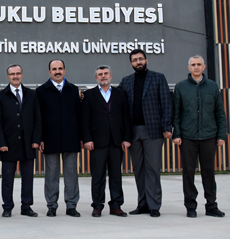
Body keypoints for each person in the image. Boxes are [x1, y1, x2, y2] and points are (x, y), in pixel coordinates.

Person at [118, 49, 173, 217]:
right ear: (131, 63)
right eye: (135, 60)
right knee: (139, 169)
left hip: (153, 131)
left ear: (146, 60)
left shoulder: (158, 78)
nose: (138, 62)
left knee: (152, 168)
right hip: (133, 132)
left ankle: (154, 205)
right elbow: (117, 101)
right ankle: (142, 204)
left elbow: (166, 103)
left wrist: (167, 127)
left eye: (141, 59)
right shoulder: (126, 81)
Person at [173, 55, 227, 218]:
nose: (196, 67)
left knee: (209, 173)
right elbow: (176, 113)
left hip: (209, 136)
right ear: (188, 68)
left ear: (204, 67)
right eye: (193, 64)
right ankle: (190, 206)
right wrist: (177, 134)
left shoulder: (212, 86)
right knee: (188, 173)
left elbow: (220, 113)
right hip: (187, 137)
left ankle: (211, 206)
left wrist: (221, 135)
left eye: (199, 64)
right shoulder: (181, 87)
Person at [82, 65, 132, 218]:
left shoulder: (120, 94)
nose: (103, 76)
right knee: (98, 176)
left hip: (116, 141)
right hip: (97, 142)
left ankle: (116, 206)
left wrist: (126, 138)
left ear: (111, 75)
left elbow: (126, 117)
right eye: (100, 74)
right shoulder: (89, 95)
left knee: (116, 176)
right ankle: (97, 206)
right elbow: (85, 119)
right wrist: (87, 139)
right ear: (96, 77)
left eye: (105, 73)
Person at [36, 59, 82, 218]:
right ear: (49, 72)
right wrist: (40, 138)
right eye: (54, 69)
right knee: (51, 174)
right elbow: (38, 117)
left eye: (60, 68)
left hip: (71, 137)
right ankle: (52, 205)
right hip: (50, 139)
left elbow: (79, 116)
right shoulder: (41, 91)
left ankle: (71, 205)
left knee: (71, 174)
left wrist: (81, 137)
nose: (57, 71)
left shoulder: (73, 90)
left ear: (65, 70)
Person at [0, 64, 42, 217]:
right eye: (12, 74)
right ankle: (7, 207)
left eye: (18, 73)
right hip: (8, 143)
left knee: (28, 178)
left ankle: (26, 206)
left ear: (22, 74)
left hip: (28, 143)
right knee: (7, 178)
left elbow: (38, 119)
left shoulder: (32, 94)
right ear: (8, 76)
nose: (15, 76)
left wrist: (36, 139)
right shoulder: (0, 96)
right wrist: (1, 142)